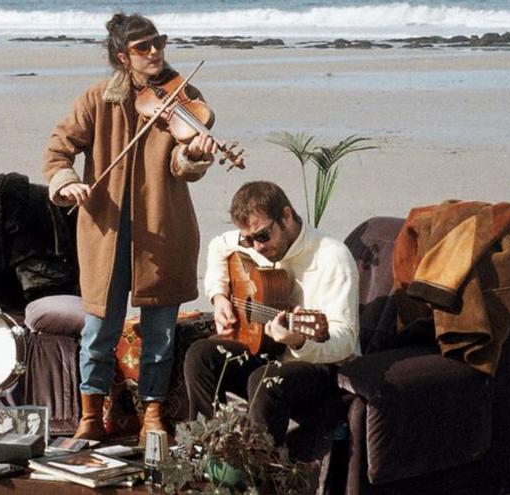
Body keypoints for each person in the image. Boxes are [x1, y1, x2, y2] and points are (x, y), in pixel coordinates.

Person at [43, 12, 218, 442]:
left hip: (164, 228)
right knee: (99, 328)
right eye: (144, 47)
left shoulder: (185, 95)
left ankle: (153, 415)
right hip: (106, 233)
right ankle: (90, 414)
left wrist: (194, 155)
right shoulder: (98, 99)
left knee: (159, 332)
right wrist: (68, 184)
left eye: (158, 42)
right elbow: (57, 151)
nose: (155, 51)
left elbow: (182, 168)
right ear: (123, 57)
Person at [183, 181, 360, 446]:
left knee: (266, 379)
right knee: (201, 355)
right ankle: (209, 449)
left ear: (286, 216)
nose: (256, 247)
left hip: (323, 369)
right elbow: (218, 246)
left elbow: (344, 339)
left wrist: (299, 340)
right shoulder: (257, 243)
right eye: (247, 239)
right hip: (271, 354)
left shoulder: (332, 257)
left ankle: (260, 469)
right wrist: (219, 296)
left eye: (263, 236)